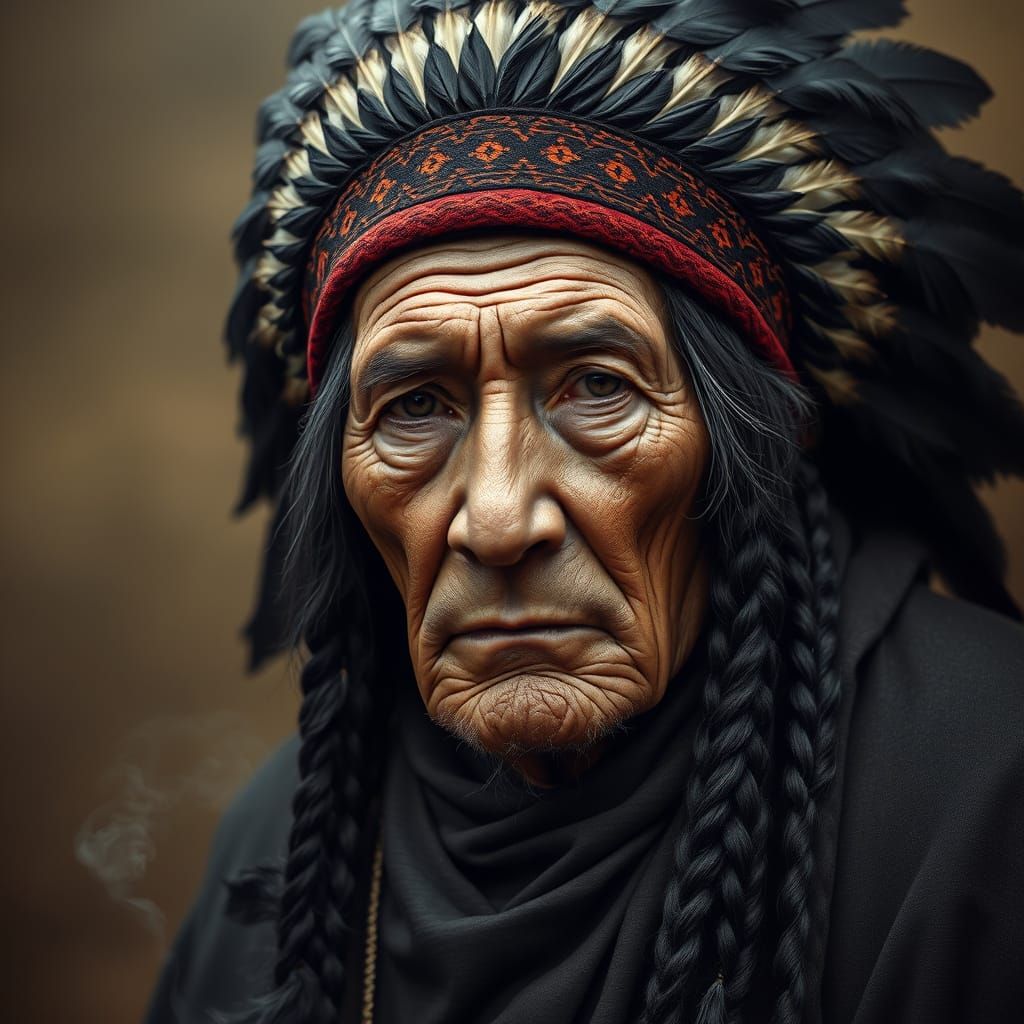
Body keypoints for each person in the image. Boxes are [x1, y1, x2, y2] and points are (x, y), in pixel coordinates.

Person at [146, 1, 1024, 1022]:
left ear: (757, 440)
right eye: (416, 407)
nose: (497, 520)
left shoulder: (985, 792)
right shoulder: (284, 851)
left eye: (598, 388)